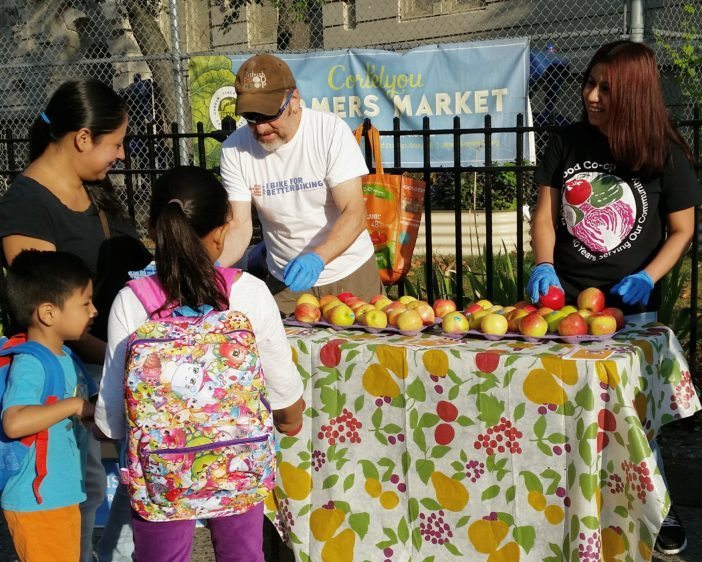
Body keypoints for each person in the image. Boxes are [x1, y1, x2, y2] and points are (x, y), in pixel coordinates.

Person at [528, 40, 701, 555]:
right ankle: (567, 505)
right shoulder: (565, 140)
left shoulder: (662, 151)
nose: (592, 96)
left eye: (606, 87)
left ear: (635, 93)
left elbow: (682, 230)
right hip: (561, 304)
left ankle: (659, 511)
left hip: (632, 312)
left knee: (636, 422)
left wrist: (647, 277)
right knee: (561, 410)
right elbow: (545, 213)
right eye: (590, 82)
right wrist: (542, 264)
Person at [93, 166, 305, 561]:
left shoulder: (132, 302)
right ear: (222, 230)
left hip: (161, 470)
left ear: (154, 230)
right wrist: (289, 419)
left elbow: (111, 423)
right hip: (238, 463)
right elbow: (287, 403)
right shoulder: (250, 295)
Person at [0, 79, 152, 562]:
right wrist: (118, 355)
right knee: (81, 489)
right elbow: (50, 315)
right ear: (82, 138)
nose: (122, 155)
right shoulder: (25, 206)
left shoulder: (96, 193)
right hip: (73, 373)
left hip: (112, 361)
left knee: (127, 483)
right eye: (115, 143)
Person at [219, 53, 384, 315]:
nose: (261, 128)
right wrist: (210, 269)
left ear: (293, 99)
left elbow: (354, 212)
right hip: (286, 279)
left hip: (349, 272)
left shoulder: (329, 132)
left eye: (269, 115)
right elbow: (239, 226)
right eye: (251, 117)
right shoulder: (235, 150)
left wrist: (318, 258)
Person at [1, 250, 97, 562]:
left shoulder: (67, 357)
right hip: (38, 501)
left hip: (60, 494)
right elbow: (14, 422)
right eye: (85, 303)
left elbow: (87, 412)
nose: (94, 310)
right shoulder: (32, 362)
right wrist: (73, 405)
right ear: (48, 313)